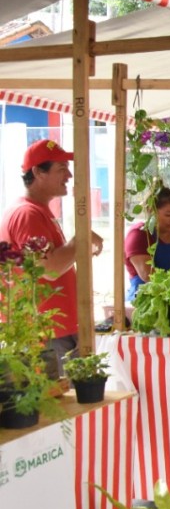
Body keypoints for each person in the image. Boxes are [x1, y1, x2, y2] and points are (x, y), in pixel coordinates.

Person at [0, 139, 103, 378]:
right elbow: (48, 268)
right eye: (61, 169)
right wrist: (81, 240)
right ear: (38, 172)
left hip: (55, 331)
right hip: (46, 334)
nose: (69, 175)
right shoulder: (27, 214)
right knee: (61, 398)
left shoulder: (36, 211)